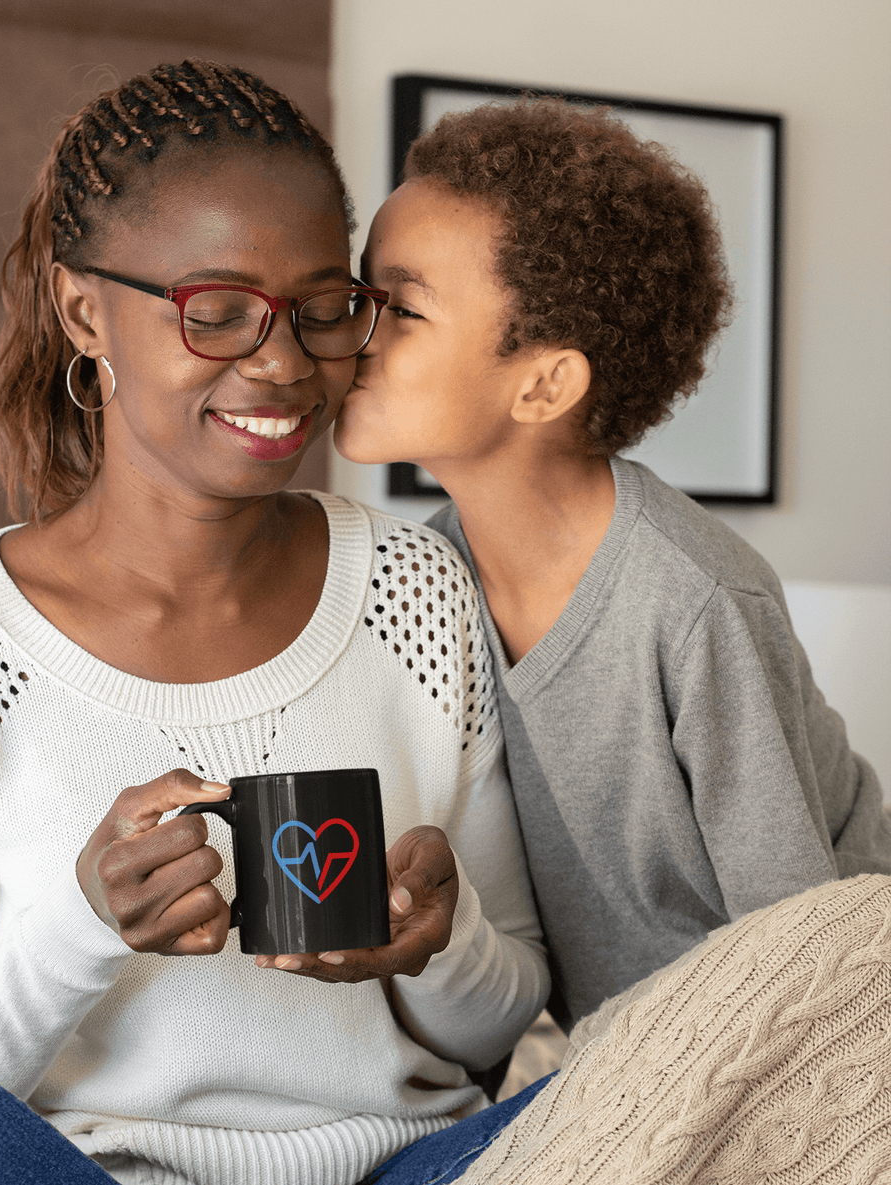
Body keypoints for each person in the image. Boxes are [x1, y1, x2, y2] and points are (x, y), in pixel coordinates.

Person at [0, 62, 549, 1185]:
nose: (284, 363)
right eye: (216, 313)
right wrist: (80, 927)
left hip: (409, 1169)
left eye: (323, 310)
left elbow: (505, 1019)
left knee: (727, 1035)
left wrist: (440, 944)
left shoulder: (415, 589)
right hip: (89, 1176)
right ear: (83, 311)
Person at [335, 97, 891, 1036]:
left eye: (405, 308)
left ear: (545, 383)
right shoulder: (424, 580)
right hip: (618, 1051)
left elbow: (801, 956)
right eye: (362, 294)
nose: (356, 329)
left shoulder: (697, 598)